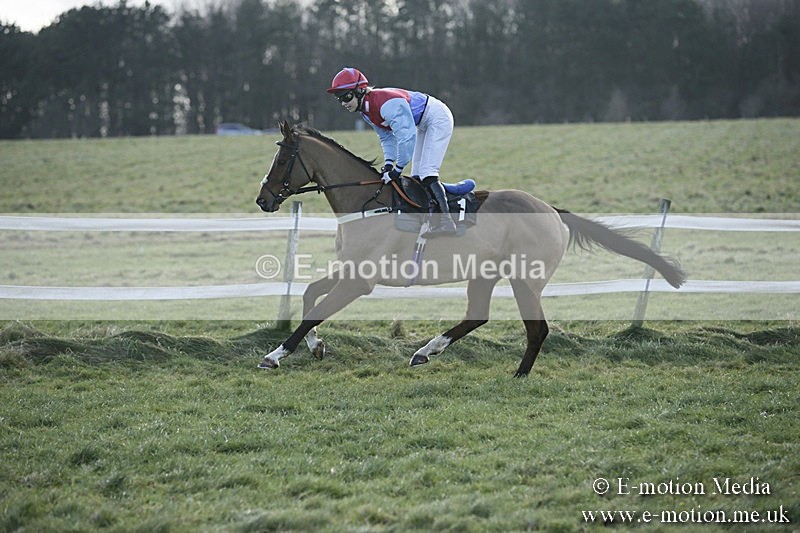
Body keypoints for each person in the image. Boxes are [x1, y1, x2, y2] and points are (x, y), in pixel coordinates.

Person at [326, 67, 457, 236]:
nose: (344, 103)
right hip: (423, 122)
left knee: (427, 173)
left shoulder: (386, 104)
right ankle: (427, 220)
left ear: (360, 91)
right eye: (339, 99)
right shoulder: (366, 112)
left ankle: (447, 222)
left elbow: (406, 137)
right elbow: (387, 138)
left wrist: (398, 169)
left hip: (437, 118)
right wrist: (389, 164)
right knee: (417, 177)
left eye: (346, 97)